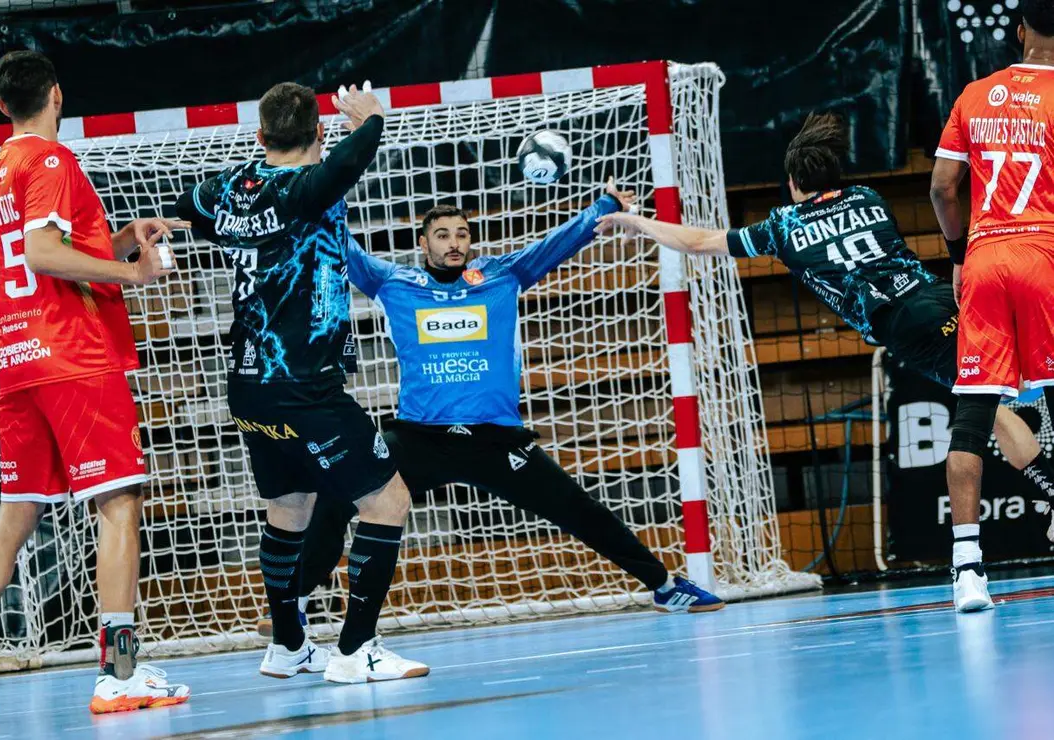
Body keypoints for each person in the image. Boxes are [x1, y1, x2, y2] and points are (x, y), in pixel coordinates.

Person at [598, 112, 1054, 614]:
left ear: (793, 183)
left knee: (983, 418)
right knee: (995, 409)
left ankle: (979, 557)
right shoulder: (868, 198)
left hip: (910, 332)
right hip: (945, 302)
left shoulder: (783, 228)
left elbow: (700, 242)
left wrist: (636, 221)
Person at [257, 178, 725, 641]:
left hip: (494, 441)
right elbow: (345, 248)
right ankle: (295, 604)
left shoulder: (501, 276)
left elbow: (552, 245)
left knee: (579, 510)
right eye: (442, 235)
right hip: (419, 439)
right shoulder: (393, 283)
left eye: (462, 234)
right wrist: (319, 190)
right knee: (336, 497)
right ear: (424, 244)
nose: (454, 243)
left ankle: (663, 586)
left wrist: (601, 208)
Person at [0, 51, 189, 725]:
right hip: (73, 355)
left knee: (16, 514)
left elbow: (49, 254)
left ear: (0, 107)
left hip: (18, 356)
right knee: (119, 501)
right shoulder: (49, 161)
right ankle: (119, 675)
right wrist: (132, 276)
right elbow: (43, 255)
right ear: (57, 94)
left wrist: (117, 243)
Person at [173, 82, 427, 684]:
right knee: (387, 501)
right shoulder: (309, 189)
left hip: (249, 386)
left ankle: (288, 647)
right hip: (304, 386)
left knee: (289, 509)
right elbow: (348, 160)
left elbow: (190, 208)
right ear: (318, 133)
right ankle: (354, 649)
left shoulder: (227, 189)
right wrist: (369, 120)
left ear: (259, 138)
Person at [929, 0, 1054, 610]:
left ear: (1020, 29)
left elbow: (941, 188)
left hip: (983, 259)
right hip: (1045, 257)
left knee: (971, 419)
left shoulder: (974, 95)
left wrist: (958, 255)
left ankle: (968, 570)